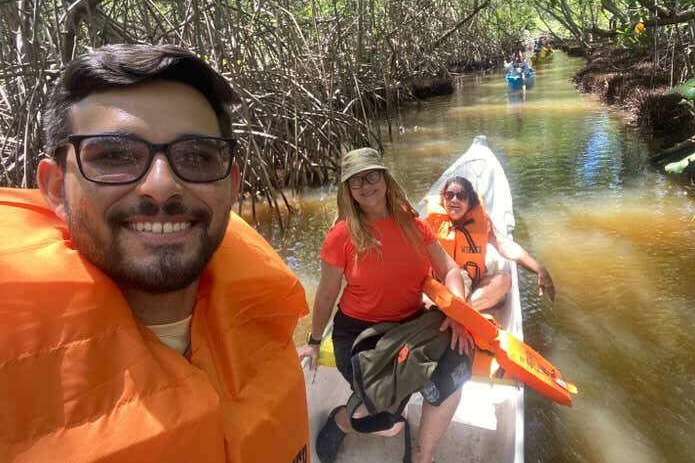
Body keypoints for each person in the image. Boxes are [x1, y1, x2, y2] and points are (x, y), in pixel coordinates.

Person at [0, 44, 310, 463]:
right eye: (113, 155)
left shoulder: (263, 318)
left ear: (232, 186)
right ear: (57, 188)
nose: (161, 185)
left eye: (197, 156)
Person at [297, 148, 474, 463]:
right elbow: (326, 295)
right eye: (356, 182)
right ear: (348, 191)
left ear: (385, 177)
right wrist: (313, 341)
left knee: (456, 366)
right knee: (385, 422)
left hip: (411, 325)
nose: (366, 186)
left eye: (372, 176)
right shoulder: (341, 236)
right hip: (360, 335)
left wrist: (456, 312)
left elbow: (450, 271)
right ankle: (342, 418)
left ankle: (422, 456)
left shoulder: (412, 224)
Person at [425, 176, 555, 311]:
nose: (454, 200)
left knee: (504, 280)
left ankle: (454, 312)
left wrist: (539, 269)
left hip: (471, 283)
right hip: (440, 284)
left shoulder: (481, 223)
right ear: (443, 198)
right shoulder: (429, 223)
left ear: (470, 202)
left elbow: (504, 245)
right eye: (449, 195)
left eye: (461, 196)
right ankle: (459, 312)